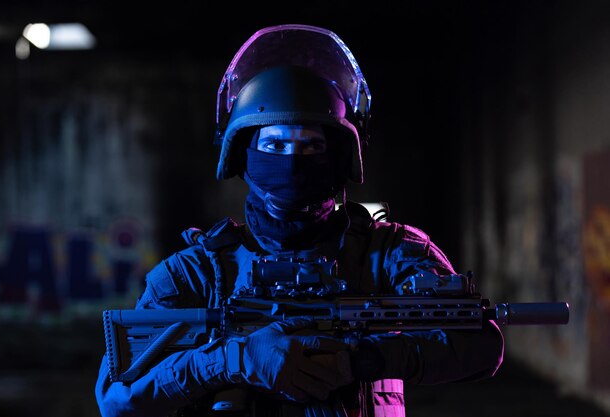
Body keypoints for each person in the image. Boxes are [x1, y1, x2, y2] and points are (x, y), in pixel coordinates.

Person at [95, 24, 504, 417]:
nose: (292, 160)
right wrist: (228, 360)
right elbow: (117, 400)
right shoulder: (196, 273)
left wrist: (360, 358)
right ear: (243, 154)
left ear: (339, 157)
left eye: (312, 145)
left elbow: (481, 345)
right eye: (274, 144)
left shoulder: (389, 254)